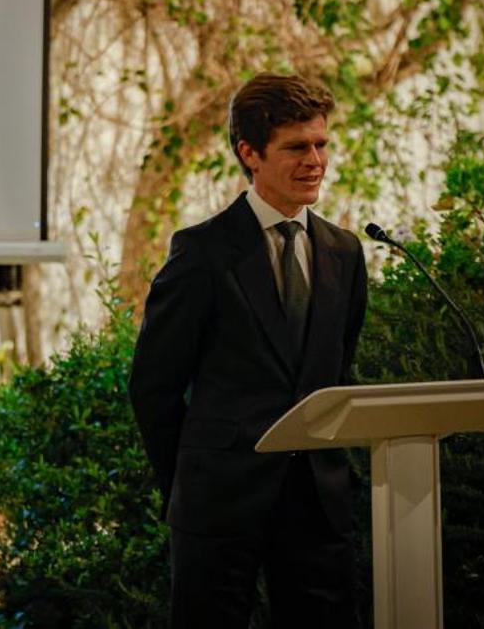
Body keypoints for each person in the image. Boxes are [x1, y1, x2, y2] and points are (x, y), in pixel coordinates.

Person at [129, 73, 368, 628]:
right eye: (296, 147)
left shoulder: (345, 252)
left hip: (318, 504)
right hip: (217, 503)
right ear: (249, 153)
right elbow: (153, 388)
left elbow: (339, 371)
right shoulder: (201, 253)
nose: (315, 161)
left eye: (321, 144)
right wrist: (188, 486)